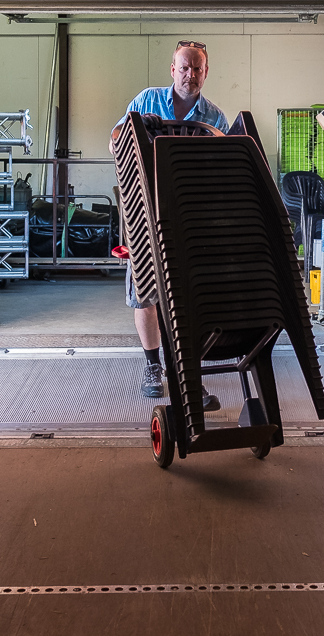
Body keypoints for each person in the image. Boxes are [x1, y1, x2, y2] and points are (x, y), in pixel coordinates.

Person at [112, 40, 228, 409]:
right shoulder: (145, 101)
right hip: (143, 212)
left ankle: (186, 376)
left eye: (197, 68)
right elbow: (114, 142)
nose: (190, 74)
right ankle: (152, 367)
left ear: (205, 73)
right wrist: (134, 130)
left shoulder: (215, 117)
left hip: (189, 216)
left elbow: (223, 165)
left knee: (187, 297)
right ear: (172, 69)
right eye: (184, 67)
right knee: (145, 292)